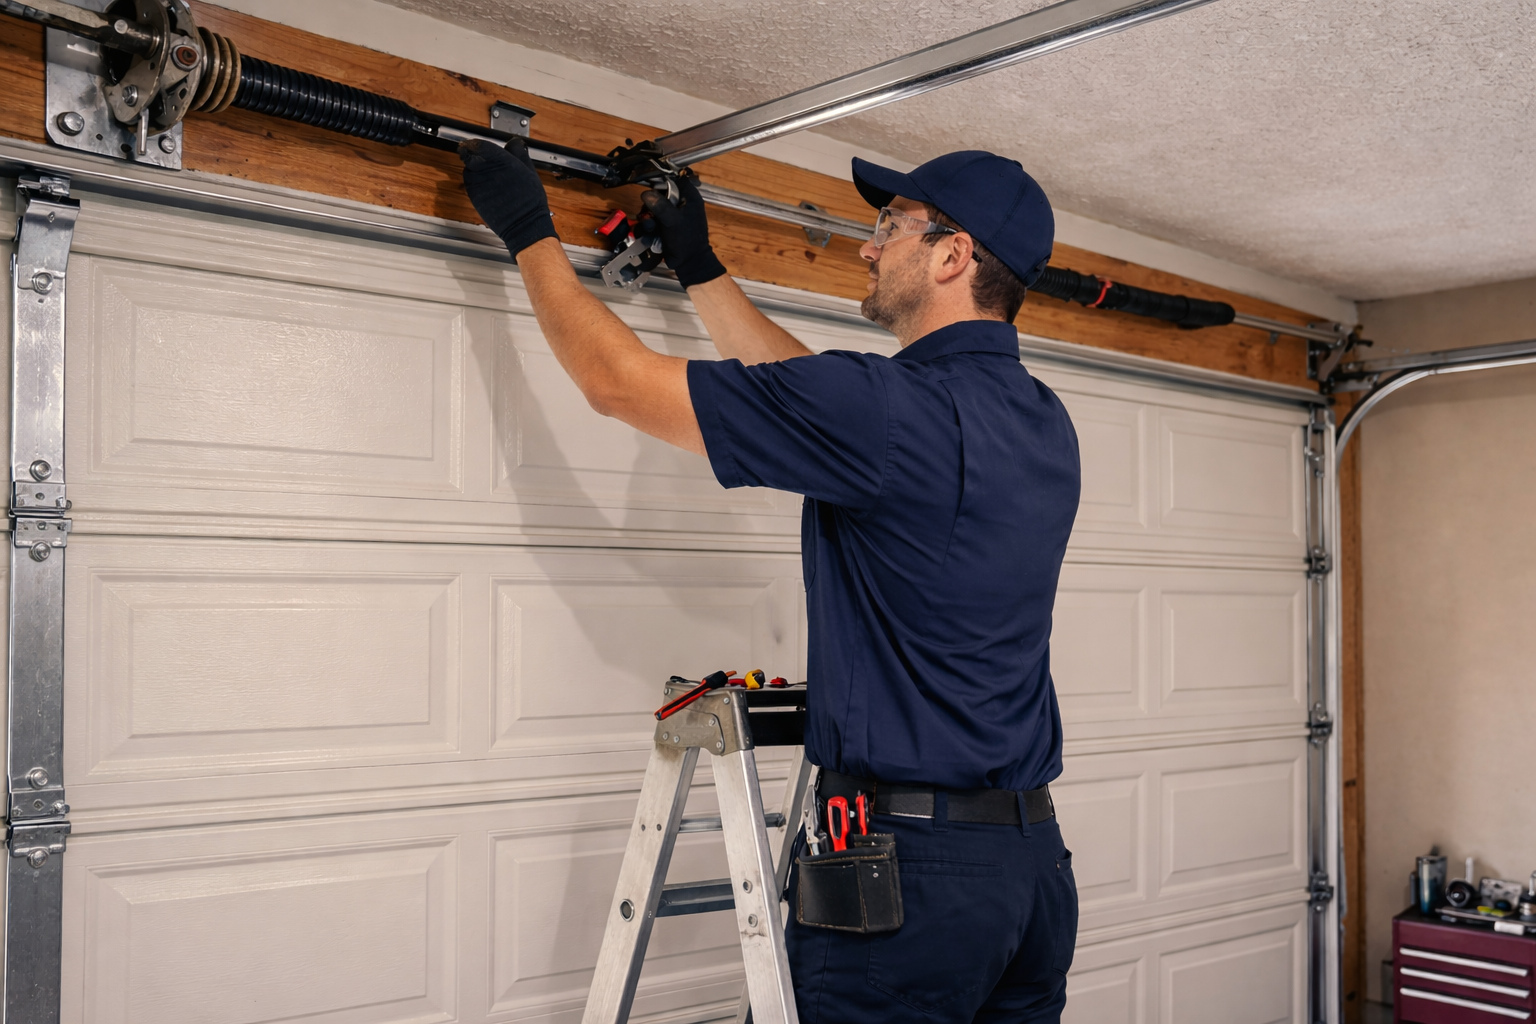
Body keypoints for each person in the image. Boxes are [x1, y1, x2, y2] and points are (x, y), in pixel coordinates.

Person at [460, 140, 1082, 1024]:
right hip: (1030, 876)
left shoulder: (886, 411)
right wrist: (703, 269)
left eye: (889, 227)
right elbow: (817, 406)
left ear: (953, 254)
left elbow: (617, 386)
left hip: (908, 881)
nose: (869, 247)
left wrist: (527, 228)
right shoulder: (1044, 422)